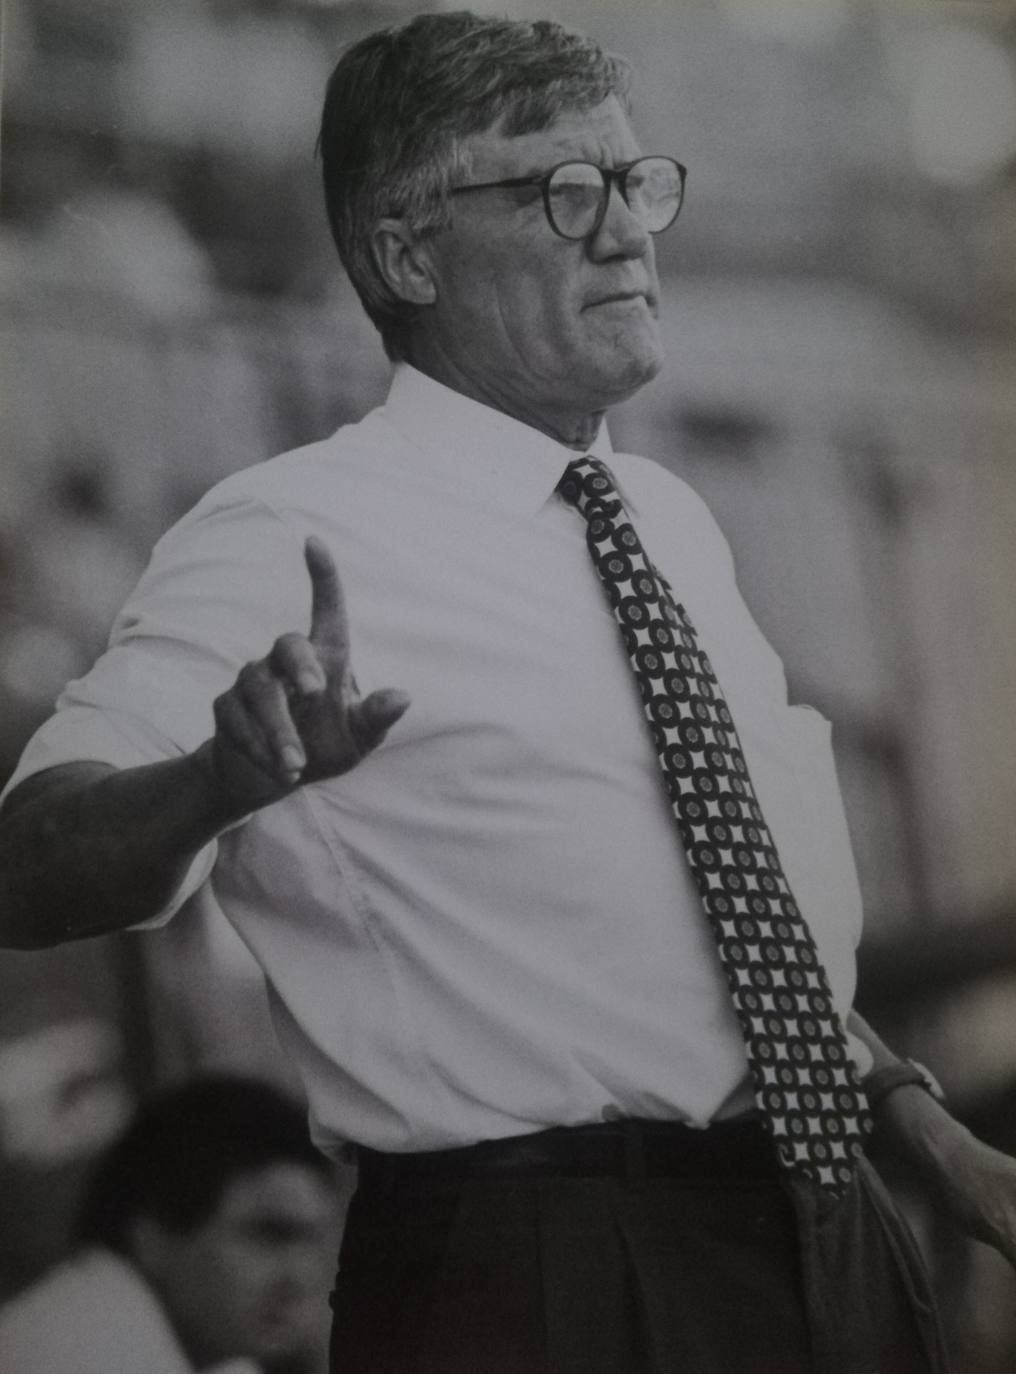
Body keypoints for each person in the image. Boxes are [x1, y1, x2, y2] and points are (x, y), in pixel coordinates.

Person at [1, 11, 1015, 1372]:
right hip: (545, 1284)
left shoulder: (667, 521)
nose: (625, 232)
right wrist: (215, 784)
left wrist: (925, 1130)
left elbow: (725, 938)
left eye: (635, 182)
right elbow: (28, 861)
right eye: (558, 191)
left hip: (833, 1241)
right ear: (406, 251)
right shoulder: (286, 532)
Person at [0, 1075, 339, 1373]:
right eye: (271, 1235)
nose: (301, 1276)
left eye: (314, 1240)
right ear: (152, 1237)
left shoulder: (210, 1352)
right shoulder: (74, 1350)